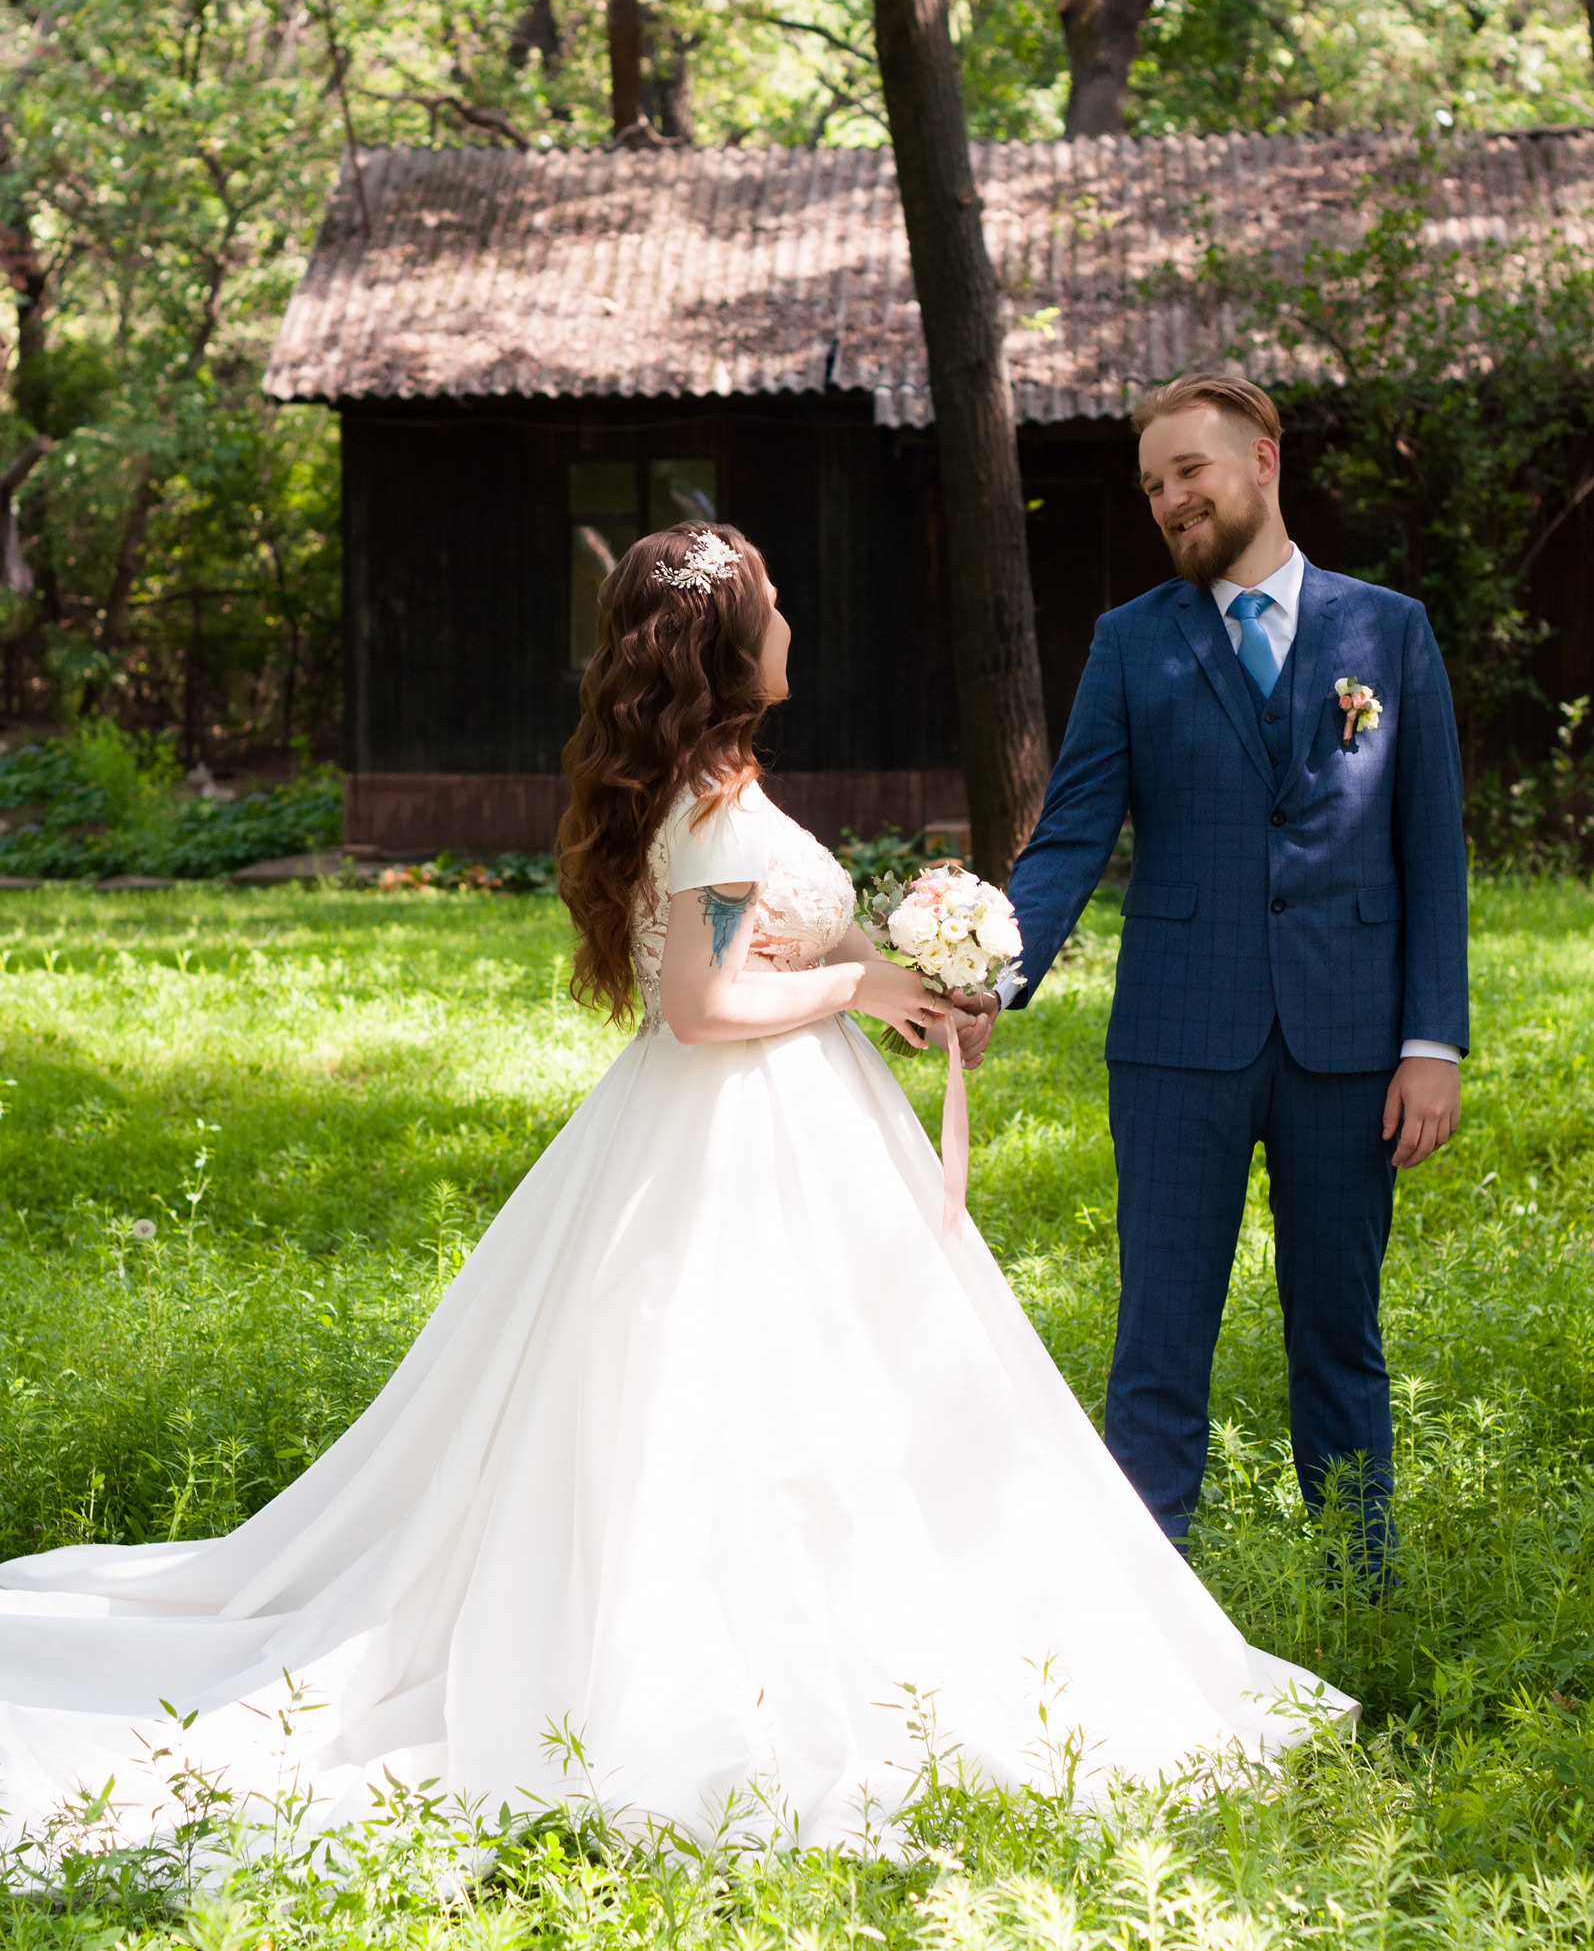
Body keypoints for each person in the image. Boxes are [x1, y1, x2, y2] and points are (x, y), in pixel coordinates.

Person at [0, 520, 1352, 1857]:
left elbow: (774, 957)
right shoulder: (711, 817)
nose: (791, 622)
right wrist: (862, 986)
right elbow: (704, 1008)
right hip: (732, 1132)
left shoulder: (718, 787)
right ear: (727, 642)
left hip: (790, 1115)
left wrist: (906, 976)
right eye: (774, 603)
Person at [962, 374, 1468, 1578]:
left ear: (1262, 461)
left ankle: (1358, 1590)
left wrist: (1430, 1043)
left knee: (1338, 1334)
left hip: (1351, 1044)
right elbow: (1072, 834)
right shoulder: (1130, 641)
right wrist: (991, 975)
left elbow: (1430, 848)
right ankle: (1144, 1615)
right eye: (1152, 486)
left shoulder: (1387, 631)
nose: (1170, 500)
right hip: (1175, 1042)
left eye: (1188, 470)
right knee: (1158, 1342)